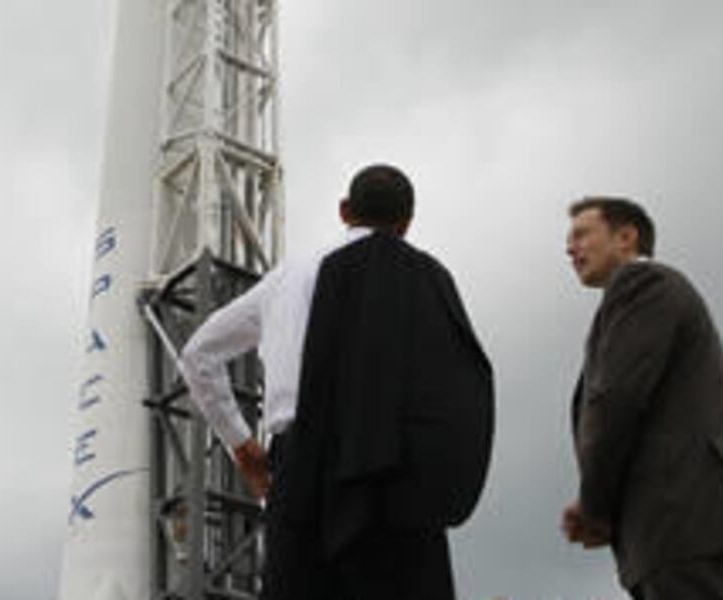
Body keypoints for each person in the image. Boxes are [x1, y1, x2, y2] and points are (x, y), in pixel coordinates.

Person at [181, 164, 494, 600]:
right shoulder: (428, 279)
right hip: (393, 474)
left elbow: (198, 355)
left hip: (299, 472)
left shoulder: (290, 276)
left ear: (345, 210)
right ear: (407, 221)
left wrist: (242, 443)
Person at [562, 196, 723, 600]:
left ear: (626, 236)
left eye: (581, 234)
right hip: (690, 532)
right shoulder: (643, 296)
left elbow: (615, 400)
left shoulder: (642, 284)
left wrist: (595, 509)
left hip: (683, 526)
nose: (569, 247)